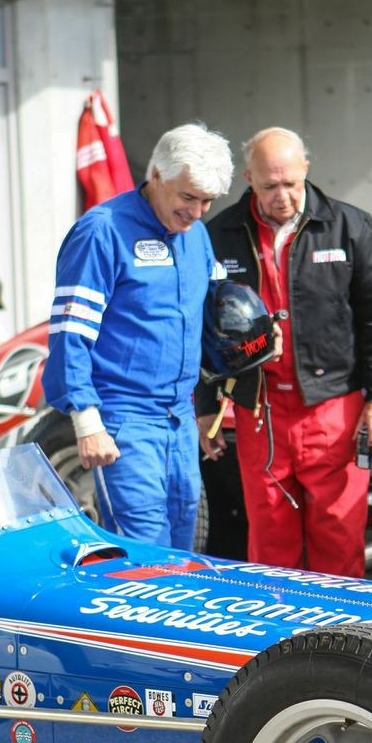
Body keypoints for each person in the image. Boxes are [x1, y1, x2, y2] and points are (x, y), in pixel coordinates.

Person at [197, 126, 372, 578]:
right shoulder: (219, 233)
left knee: (340, 546)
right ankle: (278, 645)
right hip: (259, 412)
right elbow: (201, 329)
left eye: (290, 183)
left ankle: (342, 645)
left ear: (306, 169)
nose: (282, 195)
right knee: (269, 550)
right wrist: (206, 409)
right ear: (249, 177)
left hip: (335, 408)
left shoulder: (350, 225)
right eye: (269, 186)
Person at [42, 123, 233, 548]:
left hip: (179, 418)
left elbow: (212, 323)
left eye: (207, 201)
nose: (198, 212)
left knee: (184, 546)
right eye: (188, 197)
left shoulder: (196, 234)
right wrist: (86, 421)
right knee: (144, 554)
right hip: (124, 419)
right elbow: (70, 334)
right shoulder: (102, 231)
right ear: (156, 175)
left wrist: (209, 407)